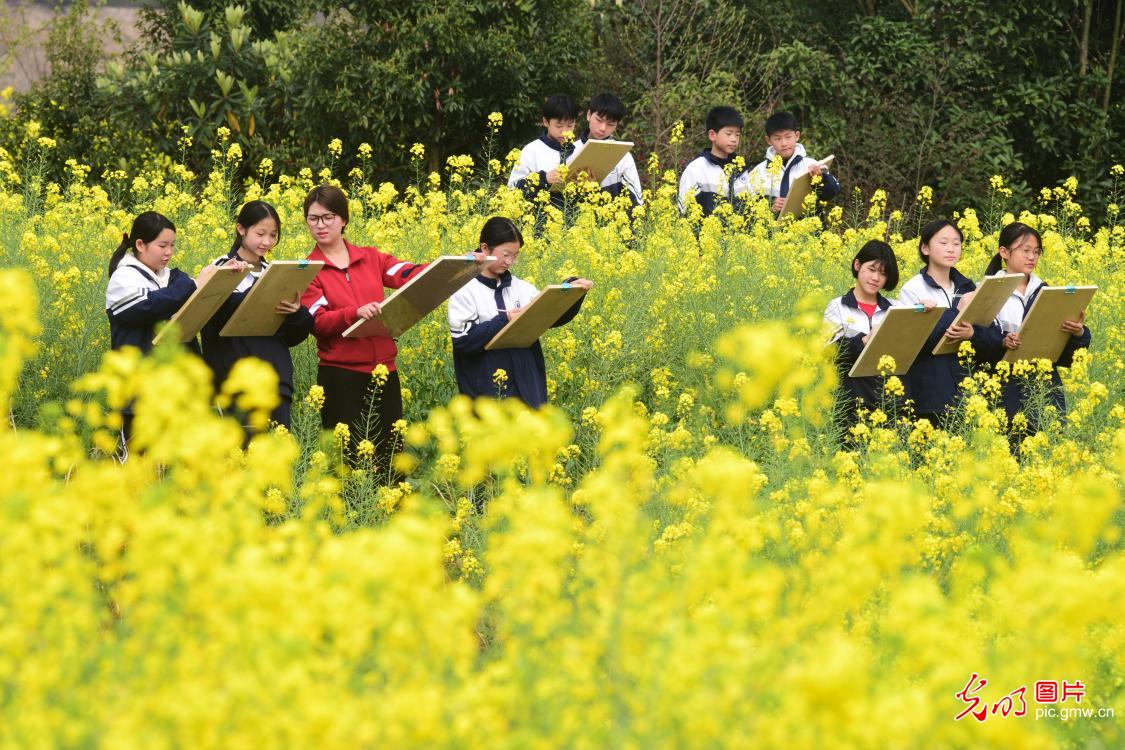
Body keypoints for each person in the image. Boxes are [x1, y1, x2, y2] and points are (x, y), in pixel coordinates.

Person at [298, 184, 486, 464]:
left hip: (384, 370)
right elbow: (318, 322)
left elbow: (411, 274)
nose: (321, 225)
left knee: (391, 459)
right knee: (346, 462)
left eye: (328, 217)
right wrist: (354, 313)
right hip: (340, 374)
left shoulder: (371, 257)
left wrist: (462, 264)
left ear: (343, 219)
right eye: (313, 219)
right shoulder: (307, 269)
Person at [105, 210, 225, 448]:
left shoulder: (172, 278)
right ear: (140, 244)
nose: (168, 252)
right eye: (162, 246)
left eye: (172, 245)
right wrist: (193, 285)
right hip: (140, 394)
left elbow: (179, 292)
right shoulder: (123, 278)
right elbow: (148, 306)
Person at [448, 217, 591, 407]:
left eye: (515, 256)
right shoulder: (464, 290)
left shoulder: (521, 287)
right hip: (486, 395)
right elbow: (464, 341)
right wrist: (504, 319)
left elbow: (550, 317)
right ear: (484, 248)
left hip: (527, 391)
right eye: (506, 254)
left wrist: (571, 291)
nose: (510, 262)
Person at [200, 200, 313, 429]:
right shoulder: (219, 270)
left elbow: (292, 336)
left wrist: (296, 313)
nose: (267, 242)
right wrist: (255, 295)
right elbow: (209, 322)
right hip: (235, 384)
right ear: (241, 229)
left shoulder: (275, 274)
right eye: (260, 233)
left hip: (276, 381)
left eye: (273, 235)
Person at [978, 221, 1091, 424]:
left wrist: (1078, 333)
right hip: (1003, 390)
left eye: (1037, 252)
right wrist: (1001, 341)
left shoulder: (1047, 292)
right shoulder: (986, 292)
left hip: (1045, 388)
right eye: (1025, 250)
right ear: (1004, 252)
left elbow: (1064, 354)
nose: (1032, 257)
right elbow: (974, 339)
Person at [896, 219, 982, 424]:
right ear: (925, 248)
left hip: (967, 390)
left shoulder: (969, 287)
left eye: (956, 243)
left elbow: (985, 331)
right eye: (943, 243)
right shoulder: (913, 289)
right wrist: (957, 312)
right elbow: (915, 340)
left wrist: (972, 334)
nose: (951, 249)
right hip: (929, 393)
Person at [823, 240, 902, 427]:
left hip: (888, 401)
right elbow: (827, 352)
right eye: (871, 269)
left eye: (883, 274)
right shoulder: (838, 306)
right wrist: (863, 340)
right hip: (850, 403)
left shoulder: (896, 308)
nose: (876, 278)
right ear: (857, 265)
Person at [744, 110, 840, 213]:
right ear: (768, 140)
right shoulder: (759, 171)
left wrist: (822, 178)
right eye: (777, 139)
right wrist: (770, 204)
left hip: (808, 227)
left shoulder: (811, 165)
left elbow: (832, 193)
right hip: (772, 228)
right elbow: (746, 205)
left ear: (797, 136)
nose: (784, 143)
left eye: (788, 137)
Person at [566, 92, 643, 206]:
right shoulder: (569, 151)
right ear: (588, 115)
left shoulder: (623, 156)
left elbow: (636, 203)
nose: (603, 128)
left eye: (610, 124)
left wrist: (595, 191)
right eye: (599, 120)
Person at [507, 94, 579, 209]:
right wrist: (544, 179)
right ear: (546, 122)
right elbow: (512, 189)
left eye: (570, 125)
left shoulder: (578, 151)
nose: (565, 131)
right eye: (559, 126)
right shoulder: (532, 150)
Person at [677, 105, 745, 216]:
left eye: (737, 134)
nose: (734, 139)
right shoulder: (696, 169)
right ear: (712, 135)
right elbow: (684, 214)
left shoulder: (742, 170)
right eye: (728, 133)